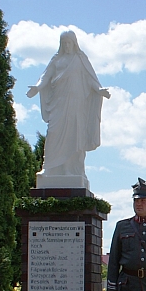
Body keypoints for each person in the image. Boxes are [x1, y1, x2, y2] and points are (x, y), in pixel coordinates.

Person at [27, 30, 110, 186]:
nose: (66, 46)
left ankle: (70, 169)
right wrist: (37, 88)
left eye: (69, 43)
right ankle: (49, 168)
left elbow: (91, 79)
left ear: (74, 43)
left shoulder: (80, 59)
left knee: (74, 136)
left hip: (76, 105)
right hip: (59, 103)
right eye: (63, 43)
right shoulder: (56, 60)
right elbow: (45, 77)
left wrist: (100, 90)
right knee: (53, 133)